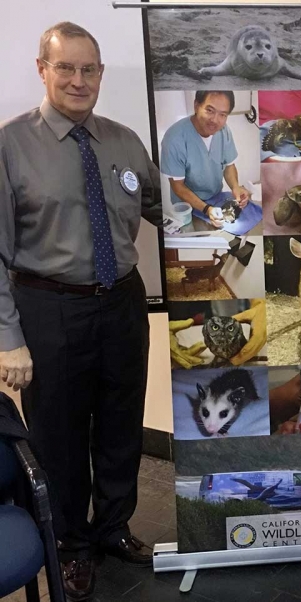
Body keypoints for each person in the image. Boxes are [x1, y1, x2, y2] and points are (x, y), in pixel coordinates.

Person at [0, 22, 162, 600]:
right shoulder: (9, 145)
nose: (77, 79)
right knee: (59, 436)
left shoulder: (123, 142)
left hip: (120, 301)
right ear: (42, 71)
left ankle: (113, 527)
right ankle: (68, 544)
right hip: (49, 306)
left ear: (99, 75)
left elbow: (159, 209)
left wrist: (231, 215)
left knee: (121, 425)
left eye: (88, 69)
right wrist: (7, 338)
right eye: (64, 67)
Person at [160, 90, 250, 228]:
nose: (215, 120)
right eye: (209, 110)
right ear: (196, 106)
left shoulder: (224, 131)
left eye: (222, 114)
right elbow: (178, 186)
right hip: (187, 209)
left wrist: (235, 187)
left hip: (216, 199)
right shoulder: (175, 138)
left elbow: (229, 166)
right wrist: (206, 209)